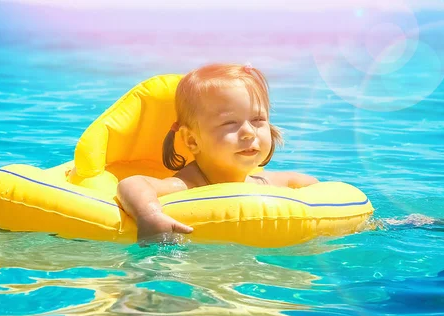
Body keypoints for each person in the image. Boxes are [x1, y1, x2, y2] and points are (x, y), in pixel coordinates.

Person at [117, 63, 318, 240]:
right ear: (192, 140)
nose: (249, 132)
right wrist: (150, 215)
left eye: (258, 120)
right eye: (230, 123)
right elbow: (131, 184)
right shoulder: (188, 186)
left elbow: (313, 186)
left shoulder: (265, 181)